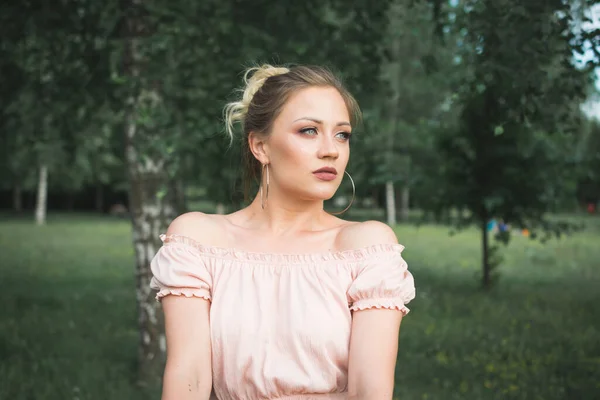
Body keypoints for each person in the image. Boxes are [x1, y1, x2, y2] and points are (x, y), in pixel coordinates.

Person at [149, 64, 416, 400]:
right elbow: (189, 380)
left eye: (342, 134)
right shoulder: (198, 242)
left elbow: (370, 394)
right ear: (260, 146)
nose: (331, 150)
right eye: (308, 131)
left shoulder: (366, 248)